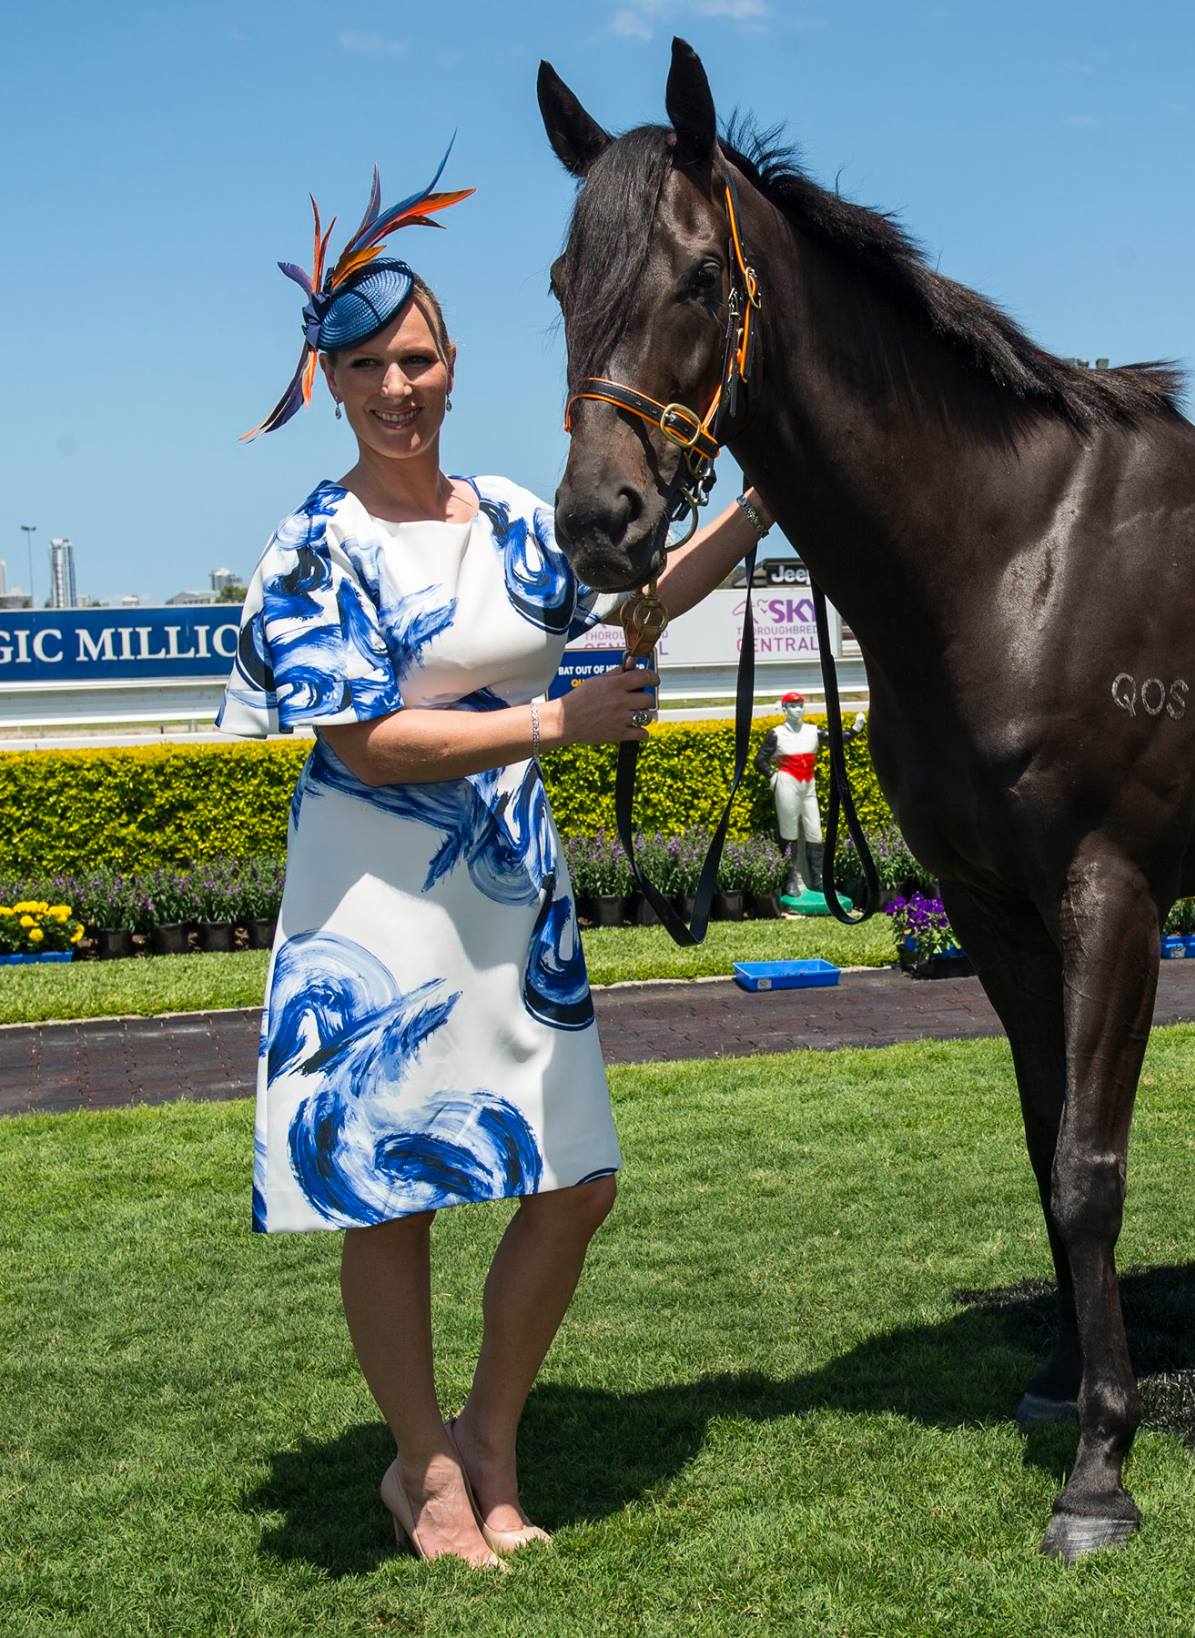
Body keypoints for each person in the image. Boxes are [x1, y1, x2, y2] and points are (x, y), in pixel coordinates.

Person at [218, 145, 773, 1567]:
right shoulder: (313, 547)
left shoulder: (519, 521)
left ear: (455, 363)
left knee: (573, 1178)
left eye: (419, 360)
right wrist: (555, 719)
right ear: (330, 387)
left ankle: (492, 1435)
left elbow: (639, 584)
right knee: (392, 1196)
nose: (399, 389)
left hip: (512, 903)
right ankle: (427, 1474)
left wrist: (765, 511)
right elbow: (361, 743)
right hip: (372, 912)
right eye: (369, 372)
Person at [754, 688, 824, 897]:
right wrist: (772, 776)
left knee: (815, 830)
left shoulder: (813, 731)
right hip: (787, 782)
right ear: (784, 709)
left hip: (808, 783)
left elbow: (836, 739)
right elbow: (759, 760)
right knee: (788, 832)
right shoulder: (777, 733)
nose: (797, 709)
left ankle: (818, 880)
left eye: (800, 705)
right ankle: (790, 879)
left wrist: (855, 730)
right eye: (793, 705)